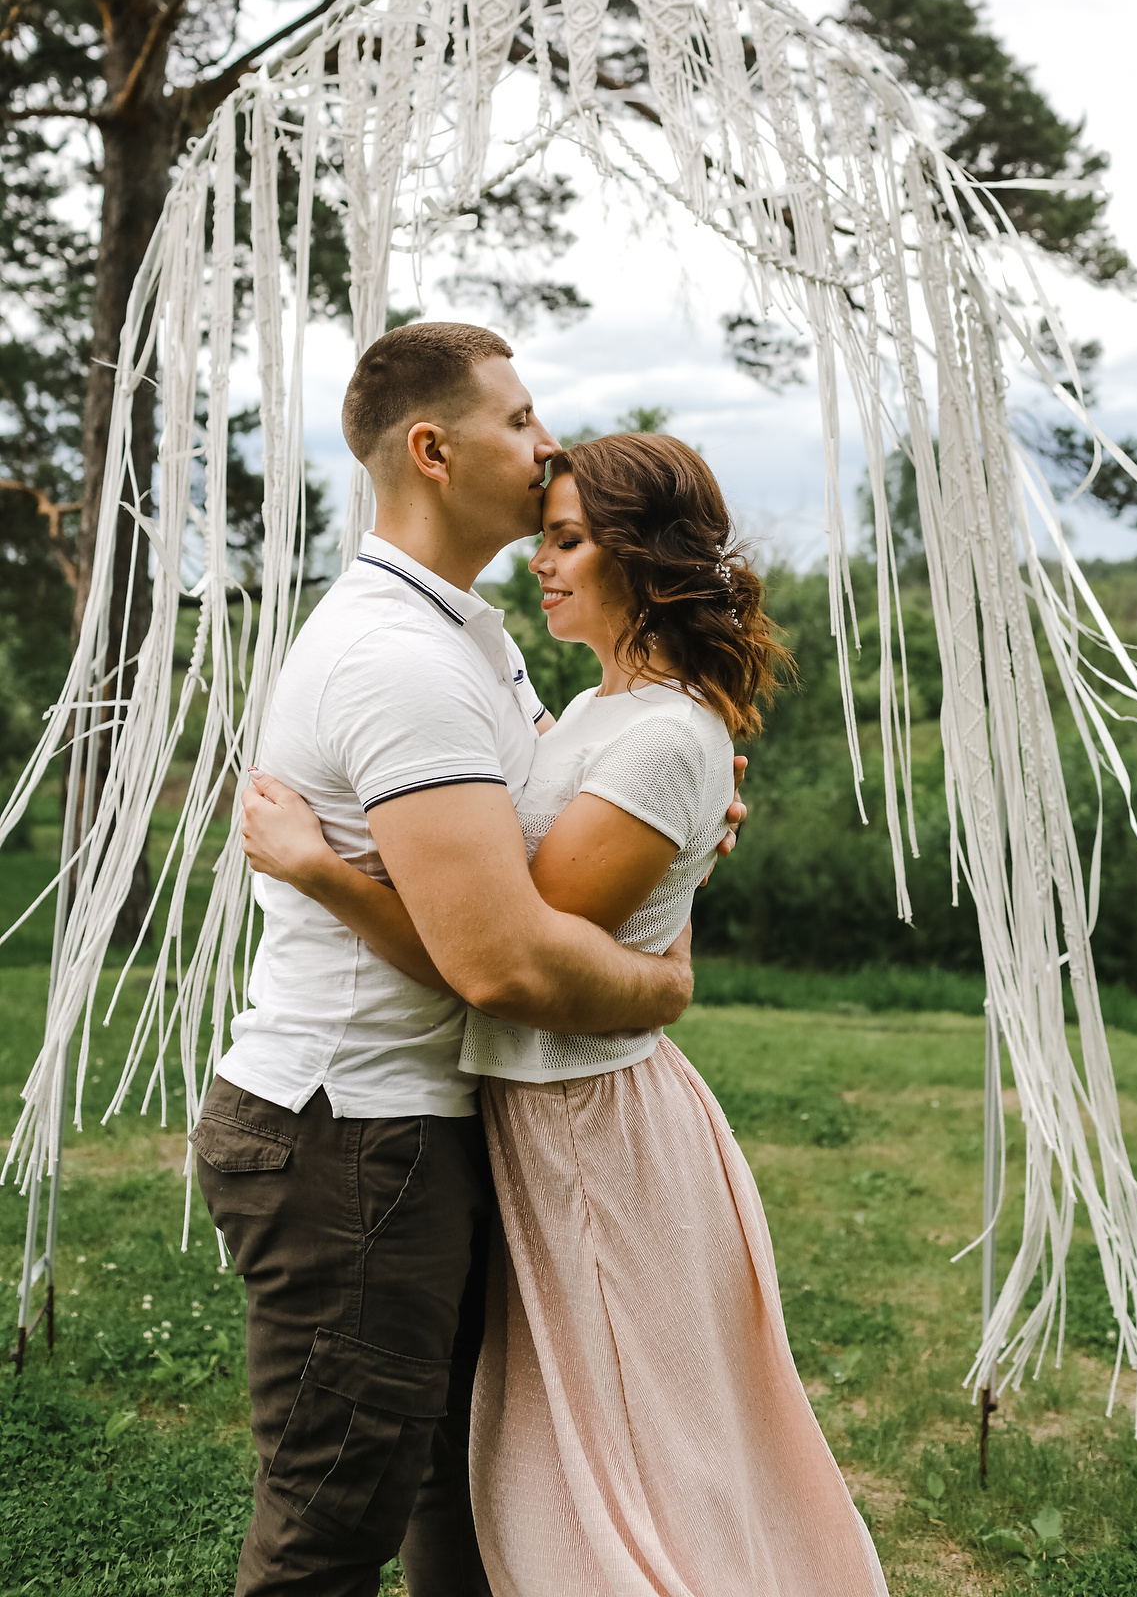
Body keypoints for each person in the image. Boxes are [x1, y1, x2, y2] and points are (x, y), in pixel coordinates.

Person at [242, 432, 890, 1597]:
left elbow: (499, 956)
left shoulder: (656, 731)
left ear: (645, 558)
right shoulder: (594, 710)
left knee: (615, 1465)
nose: (543, 563)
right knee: (527, 1450)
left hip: (584, 1125)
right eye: (546, 535)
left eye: (571, 539)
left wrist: (321, 870)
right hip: (537, 1112)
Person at [192, 322, 745, 1597]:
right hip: (351, 1129)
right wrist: (664, 981)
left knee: (470, 1487)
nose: (545, 442)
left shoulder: (471, 638)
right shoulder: (402, 659)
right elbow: (497, 957)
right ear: (434, 450)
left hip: (414, 1119)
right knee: (333, 1525)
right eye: (519, 417)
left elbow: (565, 824)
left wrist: (675, 818)